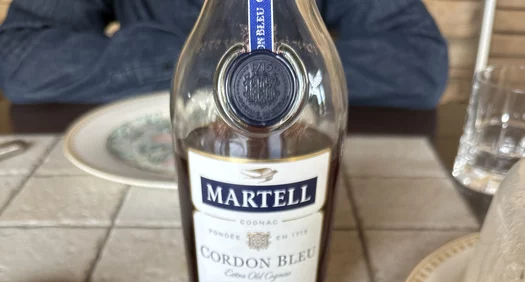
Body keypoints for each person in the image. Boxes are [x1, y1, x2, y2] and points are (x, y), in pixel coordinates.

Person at [0, 0, 448, 109]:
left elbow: (418, 65)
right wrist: (212, 61)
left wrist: (217, 65)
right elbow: (19, 60)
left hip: (293, 163)